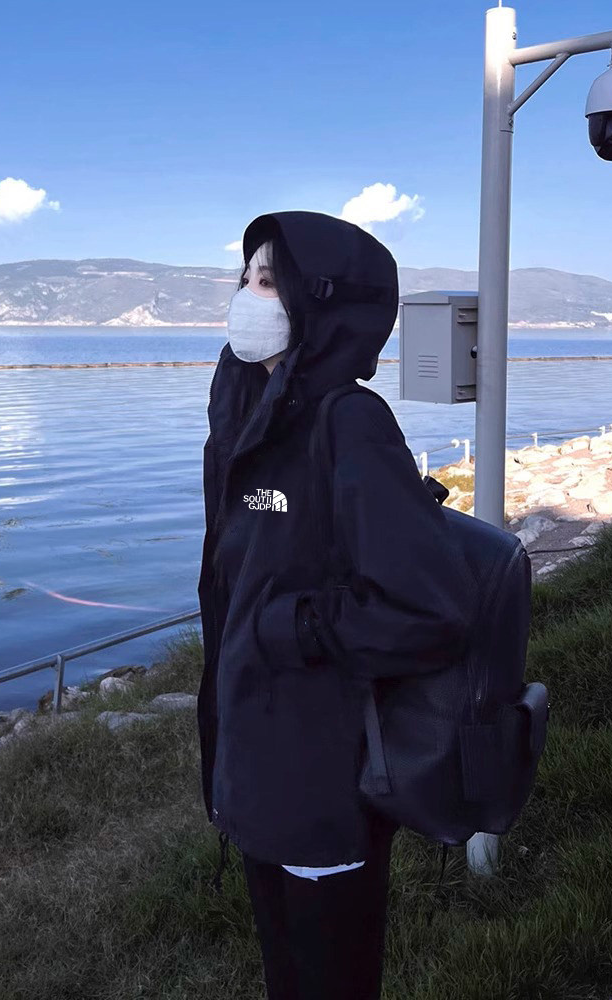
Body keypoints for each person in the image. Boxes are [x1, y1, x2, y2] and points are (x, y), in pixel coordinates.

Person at [196, 211, 474, 999]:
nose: (246, 296)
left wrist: (292, 627)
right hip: (253, 758)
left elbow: (428, 608)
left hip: (323, 772)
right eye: (245, 278)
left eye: (268, 280)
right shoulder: (253, 414)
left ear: (323, 301)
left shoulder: (347, 422)